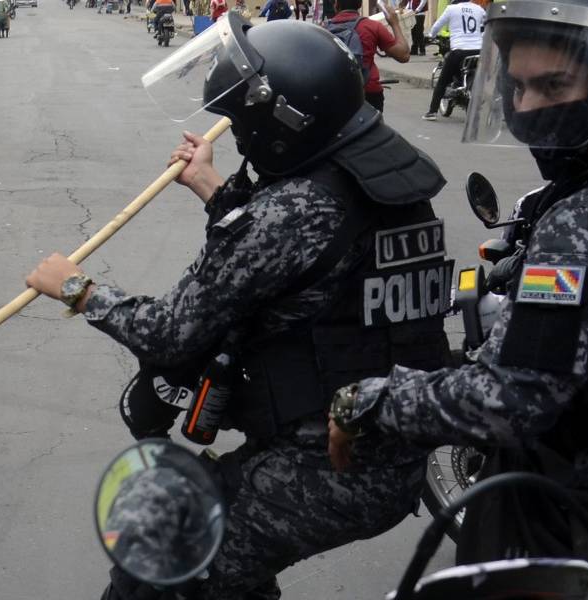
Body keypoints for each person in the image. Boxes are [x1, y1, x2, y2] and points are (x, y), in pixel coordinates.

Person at [28, 15, 451, 599]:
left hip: (331, 466)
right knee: (232, 570)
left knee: (163, 556)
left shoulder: (293, 211)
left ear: (286, 124)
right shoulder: (379, 179)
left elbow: (172, 332)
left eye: (248, 124)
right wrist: (213, 187)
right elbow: (299, 255)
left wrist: (78, 289)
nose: (242, 136)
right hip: (390, 448)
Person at [329, 0, 588, 566]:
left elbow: (511, 396)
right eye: (518, 87)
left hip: (581, 531)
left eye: (554, 86)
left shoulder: (586, 220)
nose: (529, 107)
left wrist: (366, 401)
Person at [327, 0, 410, 113]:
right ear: (360, 4)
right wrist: (394, 23)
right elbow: (403, 55)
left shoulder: (323, 29)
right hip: (368, 92)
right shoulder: (373, 26)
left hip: (334, 93)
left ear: (336, 4)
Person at [421, 0, 485, 120]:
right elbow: (487, 26)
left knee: (442, 81)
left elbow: (437, 26)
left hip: (459, 51)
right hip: (478, 51)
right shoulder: (479, 9)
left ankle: (432, 112)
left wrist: (430, 35)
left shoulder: (451, 9)